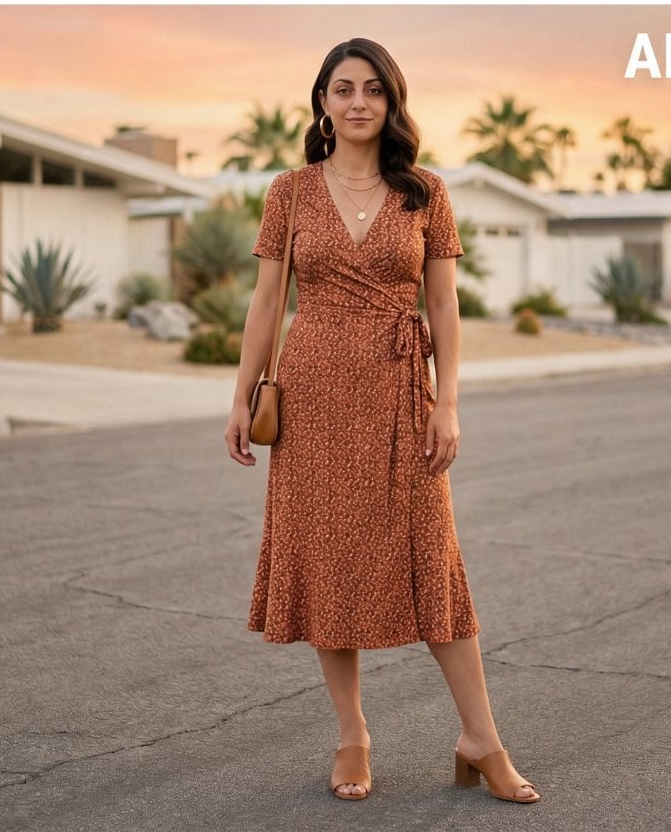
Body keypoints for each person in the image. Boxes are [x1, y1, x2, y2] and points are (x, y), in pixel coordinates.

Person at [224, 39, 540, 805]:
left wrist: (449, 399)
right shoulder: (290, 192)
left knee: (432, 564)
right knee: (331, 562)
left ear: (392, 102)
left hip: (402, 393)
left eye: (372, 89)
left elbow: (444, 306)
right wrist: (241, 397)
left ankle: (481, 738)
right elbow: (268, 303)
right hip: (314, 397)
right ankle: (352, 734)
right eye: (343, 89)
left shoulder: (424, 191)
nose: (358, 101)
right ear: (323, 103)